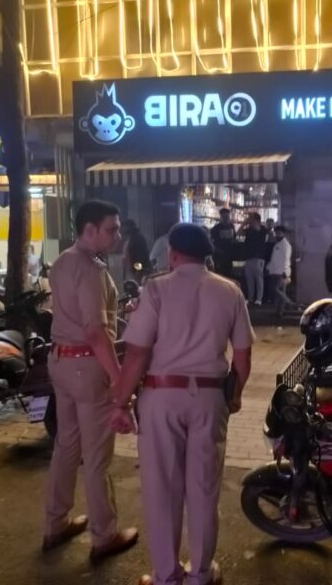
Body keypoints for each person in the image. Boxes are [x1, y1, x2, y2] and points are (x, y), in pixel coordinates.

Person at [109, 223, 255, 585]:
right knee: (204, 488)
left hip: (161, 397)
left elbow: (138, 352)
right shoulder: (230, 291)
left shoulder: (156, 288)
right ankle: (201, 574)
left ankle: (166, 575)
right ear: (206, 255)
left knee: (162, 489)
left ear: (173, 253)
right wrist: (235, 395)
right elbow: (242, 356)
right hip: (210, 397)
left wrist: (120, 402)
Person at [43, 200, 139, 562]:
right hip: (87, 366)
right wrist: (119, 380)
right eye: (111, 229)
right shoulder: (91, 268)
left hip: (60, 361)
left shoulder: (62, 261)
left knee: (67, 445)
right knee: (97, 457)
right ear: (89, 229)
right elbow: (96, 331)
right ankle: (105, 535)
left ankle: (55, 523)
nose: (117, 236)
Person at [266, 226, 298, 318]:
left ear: (284, 234)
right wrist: (269, 268)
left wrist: (285, 271)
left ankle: (291, 303)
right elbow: (274, 259)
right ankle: (279, 312)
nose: (277, 235)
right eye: (276, 233)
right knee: (281, 292)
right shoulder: (278, 244)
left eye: (279, 233)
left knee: (275, 289)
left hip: (281, 272)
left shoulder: (285, 245)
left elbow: (286, 259)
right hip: (275, 271)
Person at [241, 212, 268, 305]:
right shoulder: (249, 229)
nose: (249, 219)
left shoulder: (262, 229)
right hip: (248, 257)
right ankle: (251, 298)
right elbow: (238, 233)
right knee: (250, 279)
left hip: (258, 257)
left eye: (251, 218)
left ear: (256, 220)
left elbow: (257, 228)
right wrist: (244, 223)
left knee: (259, 279)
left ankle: (259, 299)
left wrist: (248, 222)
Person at [122, 219, 151, 284]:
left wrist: (138, 271)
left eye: (124, 227)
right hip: (133, 271)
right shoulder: (132, 238)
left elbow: (139, 257)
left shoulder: (137, 238)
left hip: (138, 273)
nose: (123, 229)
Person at [210, 209, 236, 279]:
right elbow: (211, 241)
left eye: (227, 216)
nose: (226, 218)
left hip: (229, 256)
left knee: (229, 275)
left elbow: (234, 238)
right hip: (220, 256)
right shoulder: (216, 228)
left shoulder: (231, 226)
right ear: (221, 216)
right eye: (224, 216)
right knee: (220, 276)